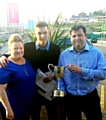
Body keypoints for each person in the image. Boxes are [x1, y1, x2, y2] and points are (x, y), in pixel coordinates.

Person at [0, 21, 65, 120]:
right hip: (34, 93)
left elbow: (59, 67)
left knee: (53, 115)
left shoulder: (55, 49)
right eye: (39, 33)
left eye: (44, 32)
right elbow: (15, 53)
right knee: (35, 116)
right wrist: (2, 57)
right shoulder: (27, 48)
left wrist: (54, 74)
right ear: (35, 34)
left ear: (49, 33)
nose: (42, 36)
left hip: (49, 90)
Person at [58, 25, 106, 120]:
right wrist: (62, 91)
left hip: (90, 97)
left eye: (80, 35)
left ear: (86, 36)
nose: (77, 38)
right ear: (70, 37)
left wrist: (81, 71)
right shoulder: (64, 55)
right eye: (74, 36)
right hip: (70, 98)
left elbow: (103, 74)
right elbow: (60, 76)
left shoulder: (96, 53)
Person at [0, 34, 37, 120]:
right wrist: (8, 109)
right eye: (15, 48)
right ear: (10, 49)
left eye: (21, 48)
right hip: (13, 109)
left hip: (27, 108)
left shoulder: (27, 61)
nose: (19, 51)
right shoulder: (5, 65)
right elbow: (0, 89)